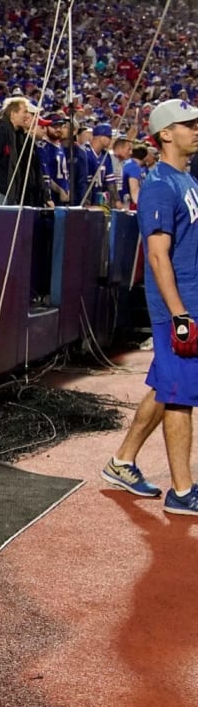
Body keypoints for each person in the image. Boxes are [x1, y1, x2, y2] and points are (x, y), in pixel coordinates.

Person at [129, 98, 198, 515]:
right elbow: (157, 256)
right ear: (166, 133)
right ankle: (182, 492)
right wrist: (179, 314)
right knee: (180, 396)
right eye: (188, 124)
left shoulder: (188, 180)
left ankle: (121, 462)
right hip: (179, 307)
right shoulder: (159, 183)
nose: (196, 129)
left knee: (167, 387)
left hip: (190, 301)